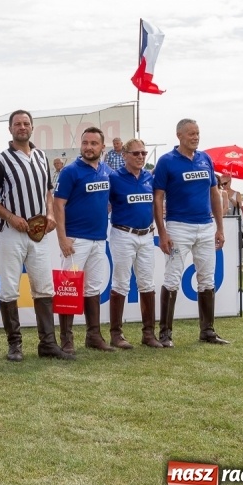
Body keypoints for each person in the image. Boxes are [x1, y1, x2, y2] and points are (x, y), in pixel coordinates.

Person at [0, 109, 71, 361]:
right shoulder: (0, 160)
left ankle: (47, 343)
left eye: (26, 123)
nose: (22, 127)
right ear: (10, 129)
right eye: (17, 124)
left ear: (32, 127)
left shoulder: (42, 157)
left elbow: (48, 191)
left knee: (44, 287)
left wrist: (50, 215)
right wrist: (11, 217)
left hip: (39, 233)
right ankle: (15, 345)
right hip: (12, 233)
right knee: (9, 288)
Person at [153, 118, 229, 347]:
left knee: (207, 278)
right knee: (172, 277)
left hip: (205, 227)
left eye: (197, 133)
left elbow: (214, 193)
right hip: (179, 227)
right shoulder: (166, 161)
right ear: (179, 136)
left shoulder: (205, 159)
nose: (195, 137)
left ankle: (207, 331)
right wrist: (163, 232)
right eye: (191, 134)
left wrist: (220, 227)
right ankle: (165, 334)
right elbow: (158, 198)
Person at [53, 126, 114, 352]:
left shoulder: (107, 171)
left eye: (93, 143)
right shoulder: (70, 172)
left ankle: (93, 336)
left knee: (93, 288)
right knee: (69, 287)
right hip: (76, 239)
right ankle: (67, 339)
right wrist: (62, 238)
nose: (89, 147)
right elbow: (58, 204)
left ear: (102, 147)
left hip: (99, 239)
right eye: (85, 143)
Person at [107, 138, 162, 349]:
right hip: (123, 234)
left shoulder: (150, 177)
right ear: (125, 155)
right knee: (120, 282)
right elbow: (104, 203)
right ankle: (116, 334)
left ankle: (148, 334)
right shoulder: (114, 178)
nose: (140, 157)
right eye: (136, 153)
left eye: (143, 153)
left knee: (147, 283)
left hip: (146, 235)